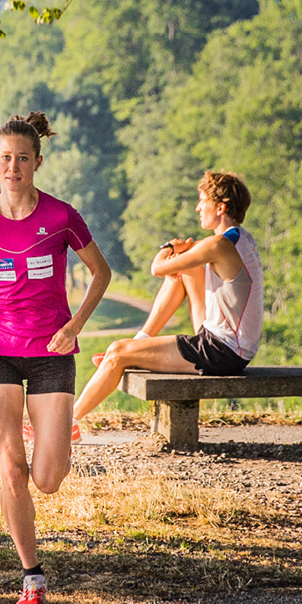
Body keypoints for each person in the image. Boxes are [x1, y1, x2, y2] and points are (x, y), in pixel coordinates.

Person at [0, 111, 111, 604]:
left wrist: (75, 327)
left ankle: (53, 434)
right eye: (5, 158)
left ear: (37, 162)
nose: (13, 167)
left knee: (47, 477)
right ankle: (32, 578)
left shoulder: (62, 217)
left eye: (22, 158)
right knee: (11, 468)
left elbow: (101, 274)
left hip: (50, 355)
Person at [72, 171, 262, 424]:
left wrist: (169, 248)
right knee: (187, 269)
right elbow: (183, 264)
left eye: (202, 201)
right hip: (232, 345)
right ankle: (140, 342)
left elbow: (158, 267)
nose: (197, 208)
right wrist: (180, 259)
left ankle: (68, 424)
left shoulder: (217, 245)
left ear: (220, 207)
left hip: (221, 352)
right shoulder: (239, 238)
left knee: (117, 351)